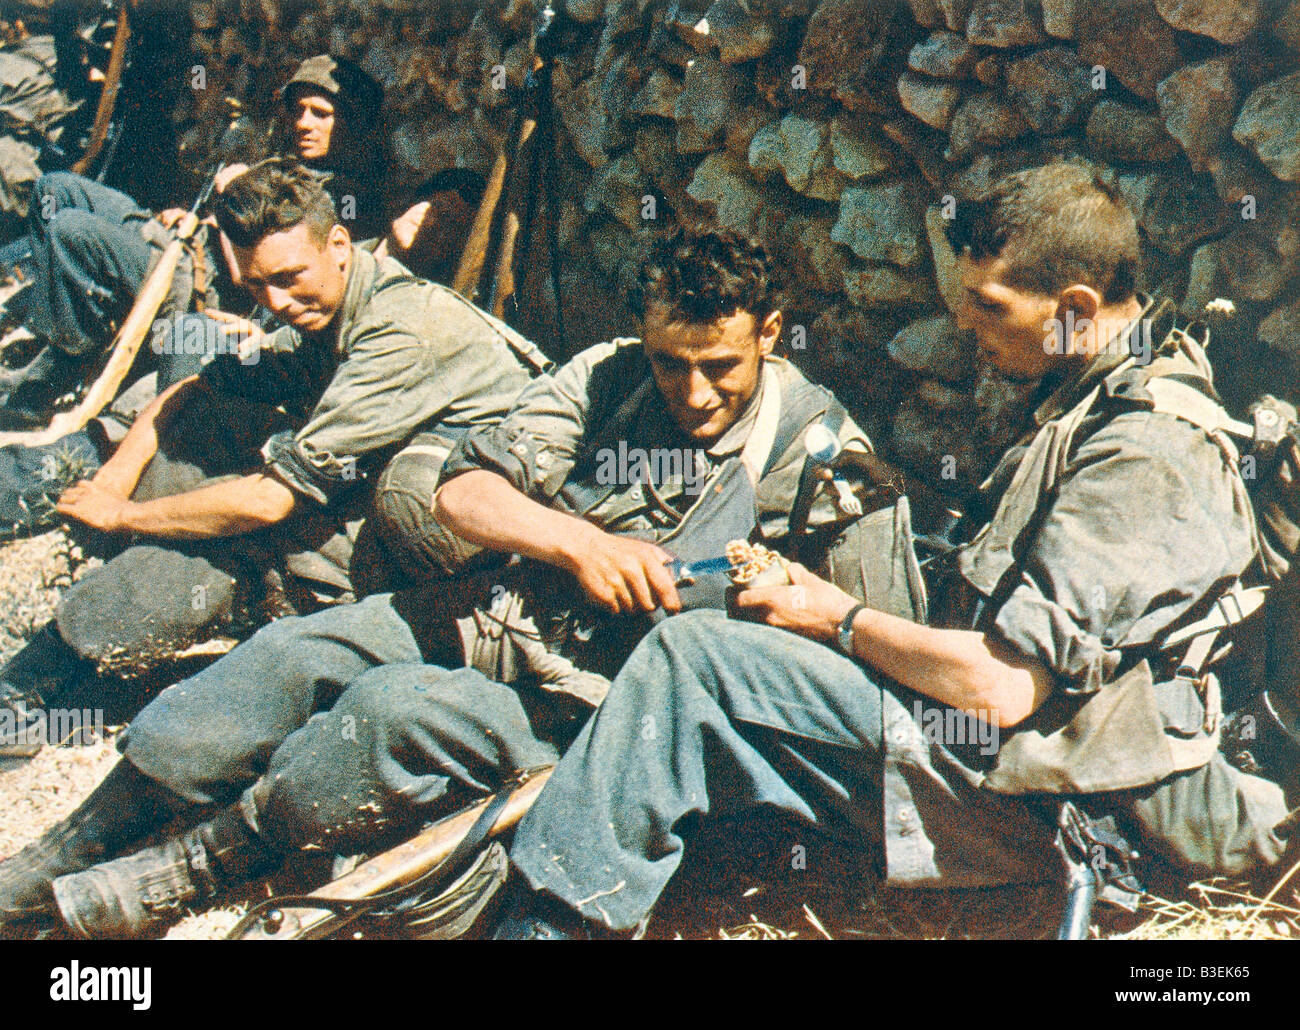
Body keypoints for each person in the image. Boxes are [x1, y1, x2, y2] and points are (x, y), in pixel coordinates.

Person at [478, 160, 1300, 938]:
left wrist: (833, 616)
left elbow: (999, 689)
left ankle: (548, 923)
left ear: (1078, 308)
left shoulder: (1143, 453)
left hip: (1067, 806)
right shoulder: (1088, 399)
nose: (963, 321)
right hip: (1027, 763)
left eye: (988, 303)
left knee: (694, 659)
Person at [0, 225, 890, 938]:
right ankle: (74, 841)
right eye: (672, 363)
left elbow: (862, 668)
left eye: (719, 368)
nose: (692, 394)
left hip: (605, 715)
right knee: (293, 649)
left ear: (769, 337)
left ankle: (198, 865)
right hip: (507, 615)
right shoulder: (610, 374)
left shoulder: (823, 460)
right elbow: (464, 490)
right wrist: (576, 543)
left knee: (392, 713)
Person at [0, 157, 545, 769]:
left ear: (339, 243)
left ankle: (33, 686)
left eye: (288, 278)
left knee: (233, 541)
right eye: (257, 286)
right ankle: (56, 668)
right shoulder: (331, 306)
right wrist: (114, 480)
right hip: (403, 508)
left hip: (479, 560)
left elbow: (270, 500)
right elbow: (200, 388)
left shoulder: (401, 328)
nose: (277, 303)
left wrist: (126, 516)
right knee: (210, 437)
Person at [0, 53, 387, 430]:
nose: (304, 123)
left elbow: (257, 276)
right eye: (298, 110)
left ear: (350, 122)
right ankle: (57, 329)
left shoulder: (348, 197)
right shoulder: (292, 165)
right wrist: (200, 217)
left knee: (71, 231)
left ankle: (54, 375)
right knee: (56, 189)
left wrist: (230, 198)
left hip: (198, 282)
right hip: (184, 243)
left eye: (321, 113)